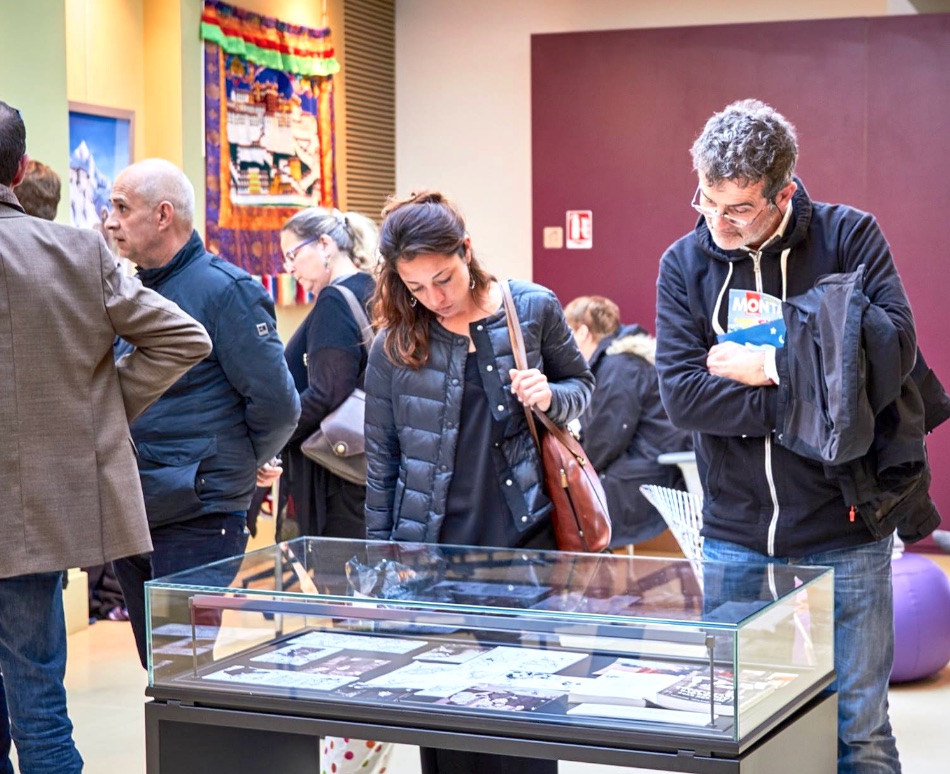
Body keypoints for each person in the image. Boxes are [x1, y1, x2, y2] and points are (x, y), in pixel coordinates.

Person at [655, 99, 918, 773]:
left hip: (845, 526)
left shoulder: (849, 237)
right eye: (707, 200)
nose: (718, 223)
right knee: (738, 728)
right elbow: (684, 396)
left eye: (739, 208)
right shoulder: (684, 263)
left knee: (859, 731)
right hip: (735, 533)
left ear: (784, 193)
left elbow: (892, 355)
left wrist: (768, 366)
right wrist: (814, 391)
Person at [0, 101, 211, 774]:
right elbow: (184, 338)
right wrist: (96, 407)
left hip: (29, 520)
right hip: (34, 520)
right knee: (40, 709)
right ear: (21, 169)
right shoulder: (77, 251)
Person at [364, 190, 594, 774]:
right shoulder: (394, 343)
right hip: (434, 554)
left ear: (466, 250)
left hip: (523, 545)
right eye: (416, 287)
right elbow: (382, 463)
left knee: (527, 719)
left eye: (443, 278)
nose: (434, 298)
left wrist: (550, 395)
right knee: (448, 724)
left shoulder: (532, 307)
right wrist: (380, 565)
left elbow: (582, 387)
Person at [106, 158, 301, 668]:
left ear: (163, 215)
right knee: (159, 664)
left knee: (181, 664)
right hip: (134, 505)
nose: (110, 222)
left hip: (197, 512)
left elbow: (279, 406)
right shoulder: (133, 289)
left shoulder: (226, 291)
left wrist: (242, 465)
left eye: (122, 208)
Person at [277, 207, 378, 540]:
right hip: (367, 463)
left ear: (324, 244)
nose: (289, 268)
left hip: (338, 470)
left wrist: (272, 435)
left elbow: (327, 392)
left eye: (292, 255)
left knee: (334, 568)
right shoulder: (372, 287)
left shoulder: (334, 300)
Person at [564, 295, 692, 548]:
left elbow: (605, 439)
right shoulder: (624, 363)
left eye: (567, 334)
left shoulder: (618, 367)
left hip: (641, 484)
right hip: (656, 476)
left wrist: (573, 473)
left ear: (583, 332)